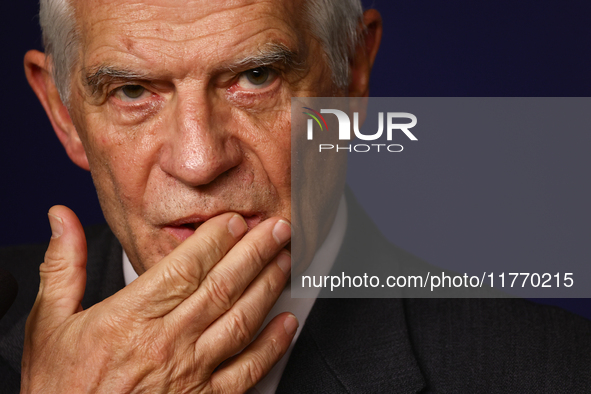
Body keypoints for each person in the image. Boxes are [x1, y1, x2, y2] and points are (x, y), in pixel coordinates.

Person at [1, 0, 590, 393]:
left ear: (353, 78)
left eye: (257, 78)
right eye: (132, 90)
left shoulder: (552, 371)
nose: (199, 161)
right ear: (63, 112)